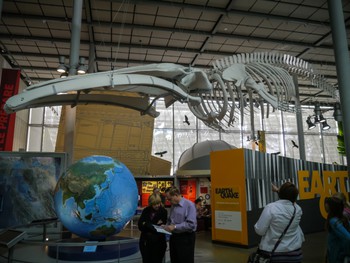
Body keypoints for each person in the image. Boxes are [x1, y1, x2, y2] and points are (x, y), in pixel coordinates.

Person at [254, 182, 304, 262]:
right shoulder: (297, 209)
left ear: (281, 193)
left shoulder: (271, 208)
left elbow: (260, 231)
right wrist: (278, 190)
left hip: (274, 256)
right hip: (295, 255)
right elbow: (290, 200)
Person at [162, 186, 197, 263]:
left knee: (184, 260)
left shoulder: (189, 205)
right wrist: (166, 226)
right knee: (175, 259)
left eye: (170, 199)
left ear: (176, 195)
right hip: (174, 237)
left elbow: (191, 225)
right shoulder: (173, 206)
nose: (168, 201)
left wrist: (174, 227)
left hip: (185, 238)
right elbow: (171, 220)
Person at [138, 193, 168, 263]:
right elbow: (140, 225)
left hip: (158, 244)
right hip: (145, 243)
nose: (157, 206)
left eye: (158, 203)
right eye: (155, 204)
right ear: (151, 204)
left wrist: (146, 224)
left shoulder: (163, 212)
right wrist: (152, 225)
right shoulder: (146, 210)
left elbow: (160, 229)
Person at [324, 196, 350, 263]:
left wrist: (346, 253)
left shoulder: (334, 221)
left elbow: (348, 237)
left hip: (337, 256)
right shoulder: (342, 218)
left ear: (332, 207)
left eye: (327, 204)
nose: (325, 206)